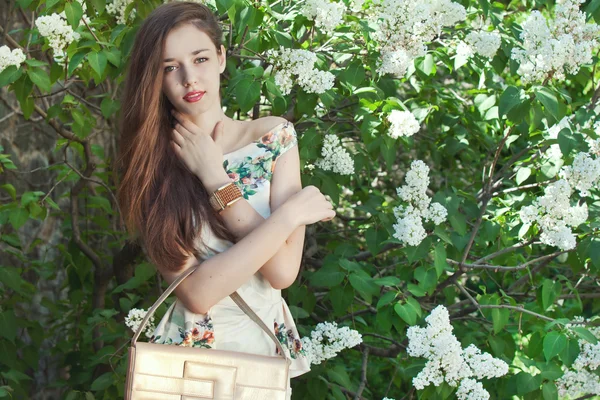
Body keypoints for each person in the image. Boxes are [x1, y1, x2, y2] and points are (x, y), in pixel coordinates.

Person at [114, 1, 336, 398]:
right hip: (185, 367)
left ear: (220, 57)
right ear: (156, 79)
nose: (188, 78)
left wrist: (216, 177)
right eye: (170, 67)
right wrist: (285, 219)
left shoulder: (274, 138)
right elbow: (197, 294)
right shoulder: (151, 166)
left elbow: (282, 271)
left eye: (199, 58)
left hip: (260, 362)